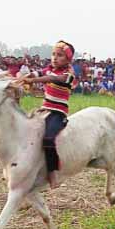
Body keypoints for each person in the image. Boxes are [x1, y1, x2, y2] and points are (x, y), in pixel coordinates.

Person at [16, 40, 76, 189]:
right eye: (54, 54)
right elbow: (36, 73)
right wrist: (23, 77)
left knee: (48, 139)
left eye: (60, 55)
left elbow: (52, 79)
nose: (55, 58)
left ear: (68, 59)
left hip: (57, 113)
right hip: (43, 110)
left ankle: (53, 172)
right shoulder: (48, 69)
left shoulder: (68, 75)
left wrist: (33, 80)